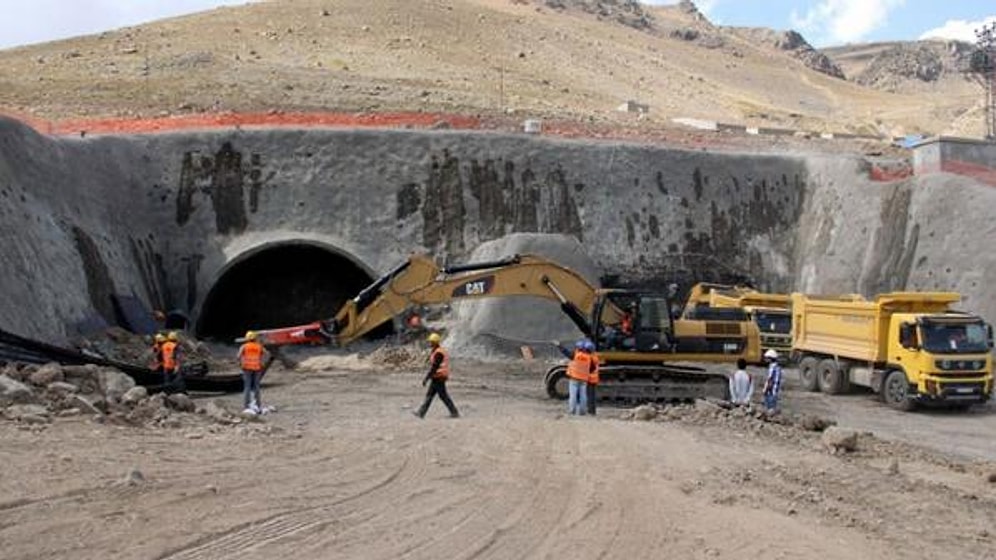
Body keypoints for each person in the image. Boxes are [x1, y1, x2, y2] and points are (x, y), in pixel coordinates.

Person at [415, 332, 459, 418]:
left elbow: (434, 367)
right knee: (432, 395)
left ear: (435, 342)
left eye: (431, 342)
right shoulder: (436, 351)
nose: (430, 343)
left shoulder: (439, 353)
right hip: (437, 377)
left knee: (440, 396)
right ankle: (421, 413)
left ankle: (454, 412)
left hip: (439, 377)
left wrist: (426, 378)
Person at [555, 339, 594, 415]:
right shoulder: (589, 358)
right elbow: (592, 368)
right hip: (584, 379)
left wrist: (559, 345)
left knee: (573, 396)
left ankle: (572, 411)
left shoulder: (575, 355)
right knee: (583, 396)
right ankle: (582, 412)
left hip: (574, 378)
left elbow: (566, 352)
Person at [238, 330, 269, 415]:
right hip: (257, 368)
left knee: (247, 387)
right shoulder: (259, 346)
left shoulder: (244, 346)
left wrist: (241, 363)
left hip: (247, 368)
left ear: (247, 339)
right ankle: (258, 405)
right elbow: (267, 354)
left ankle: (246, 406)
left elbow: (238, 356)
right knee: (256, 387)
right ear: (255, 338)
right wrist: (263, 363)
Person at [585, 340, 600, 415]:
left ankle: (590, 411)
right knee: (592, 396)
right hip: (594, 379)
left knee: (590, 396)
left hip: (590, 379)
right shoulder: (594, 356)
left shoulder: (590, 358)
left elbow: (589, 369)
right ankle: (592, 411)